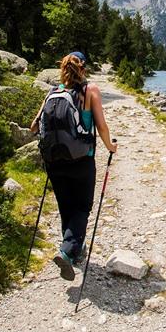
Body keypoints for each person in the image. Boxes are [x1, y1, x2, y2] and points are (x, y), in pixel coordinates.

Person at [31, 51, 117, 280]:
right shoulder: (90, 91)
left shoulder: (53, 91)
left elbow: (34, 126)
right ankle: (67, 252)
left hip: (54, 161)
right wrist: (111, 147)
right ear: (83, 69)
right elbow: (101, 126)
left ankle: (72, 249)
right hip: (82, 160)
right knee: (82, 208)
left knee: (66, 207)